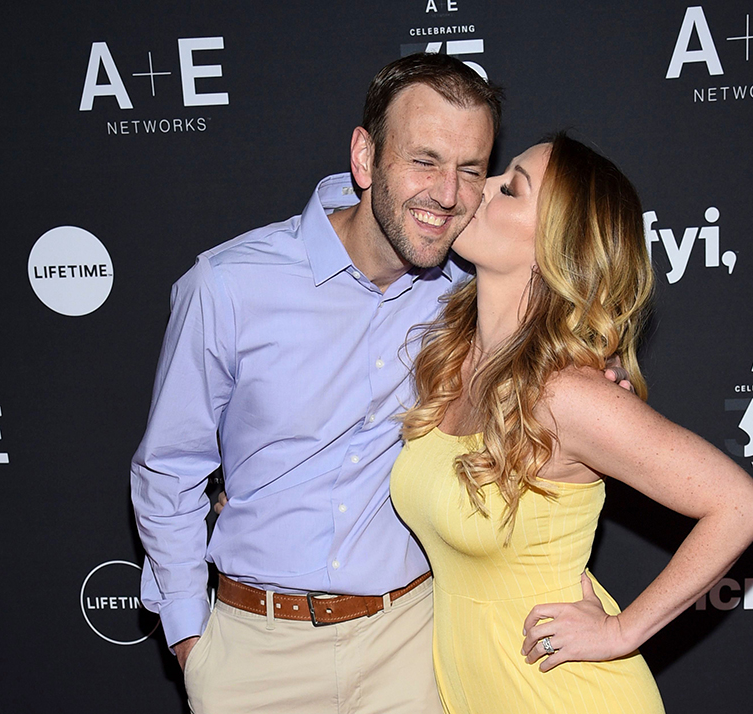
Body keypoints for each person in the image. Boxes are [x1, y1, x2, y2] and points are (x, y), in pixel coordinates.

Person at [130, 53, 500, 714]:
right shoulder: (228, 286)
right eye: (424, 161)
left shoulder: (470, 299)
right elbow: (169, 470)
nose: (447, 194)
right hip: (256, 658)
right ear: (365, 158)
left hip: (411, 649)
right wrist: (192, 643)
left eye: (469, 170)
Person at [391, 133, 753, 713]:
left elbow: (741, 505)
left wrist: (621, 633)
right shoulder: (455, 355)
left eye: (508, 187)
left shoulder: (565, 396)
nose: (479, 187)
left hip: (562, 695)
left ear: (554, 248)